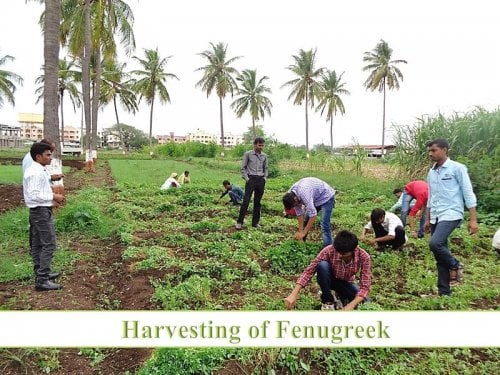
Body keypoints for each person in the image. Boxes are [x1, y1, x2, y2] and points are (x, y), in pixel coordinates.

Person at [424, 138, 478, 296]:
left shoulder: (457, 168)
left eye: (434, 150)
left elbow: (468, 193)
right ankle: (444, 292)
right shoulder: (431, 172)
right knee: (440, 253)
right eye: (429, 151)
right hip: (435, 215)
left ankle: (455, 264)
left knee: (435, 243)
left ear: (445, 150)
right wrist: (427, 219)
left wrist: (473, 220)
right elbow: (431, 197)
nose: (430, 154)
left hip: (451, 212)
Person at [284, 230, 371, 311]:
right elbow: (309, 271)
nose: (339, 255)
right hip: (330, 280)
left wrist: (351, 305)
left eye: (343, 253)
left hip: (347, 283)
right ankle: (328, 300)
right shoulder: (329, 250)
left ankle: (340, 297)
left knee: (365, 301)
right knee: (322, 266)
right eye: (338, 251)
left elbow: (365, 286)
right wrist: (293, 294)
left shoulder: (364, 257)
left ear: (353, 250)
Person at [23, 142, 65, 291]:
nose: (50, 157)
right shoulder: (35, 172)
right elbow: (34, 195)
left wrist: (50, 198)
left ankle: (41, 273)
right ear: (38, 156)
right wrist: (54, 196)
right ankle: (42, 280)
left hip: (39, 210)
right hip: (40, 211)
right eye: (47, 155)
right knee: (49, 244)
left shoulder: (39, 169)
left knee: (37, 244)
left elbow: (38, 190)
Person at [282, 177, 336, 246]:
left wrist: (303, 233)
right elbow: (300, 215)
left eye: (294, 205)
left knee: (324, 223)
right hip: (315, 198)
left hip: (326, 196)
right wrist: (300, 232)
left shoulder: (304, 194)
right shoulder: (291, 195)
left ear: (295, 200)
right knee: (305, 220)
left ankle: (328, 247)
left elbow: (313, 215)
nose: (295, 207)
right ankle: (302, 243)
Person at [236, 137, 268, 229]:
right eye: (259, 145)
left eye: (262, 145)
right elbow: (243, 168)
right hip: (251, 179)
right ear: (255, 145)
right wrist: (247, 179)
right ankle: (239, 222)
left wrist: (264, 178)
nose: (261, 147)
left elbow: (265, 168)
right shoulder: (248, 154)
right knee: (246, 201)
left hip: (260, 180)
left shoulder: (264, 156)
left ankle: (255, 223)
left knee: (257, 202)